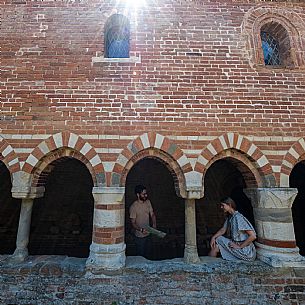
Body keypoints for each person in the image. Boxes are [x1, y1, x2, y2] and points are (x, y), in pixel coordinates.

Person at [208, 197, 256, 261]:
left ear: (229, 205)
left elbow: (253, 236)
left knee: (219, 239)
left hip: (246, 251)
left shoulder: (238, 217)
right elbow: (223, 230)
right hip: (236, 246)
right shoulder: (231, 217)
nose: (221, 207)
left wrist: (240, 246)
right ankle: (208, 266)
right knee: (216, 247)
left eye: (223, 205)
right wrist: (213, 237)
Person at [129, 185, 156, 257]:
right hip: (139, 237)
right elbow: (133, 223)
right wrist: (141, 230)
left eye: (146, 193)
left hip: (149, 234)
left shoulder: (148, 202)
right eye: (143, 194)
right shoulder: (133, 207)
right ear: (138, 195)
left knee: (149, 254)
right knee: (141, 256)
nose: (146, 195)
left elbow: (152, 214)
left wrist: (154, 224)